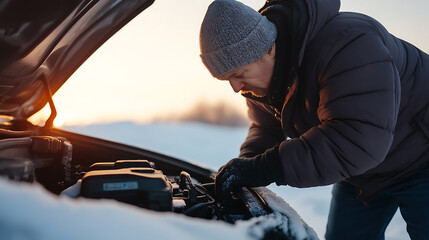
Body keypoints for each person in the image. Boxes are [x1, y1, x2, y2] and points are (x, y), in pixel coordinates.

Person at [198, 0, 429, 239]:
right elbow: (266, 127)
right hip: (362, 174)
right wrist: (246, 164)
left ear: (269, 49)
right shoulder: (261, 81)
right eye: (227, 80)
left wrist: (265, 167)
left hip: (421, 157)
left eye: (239, 75)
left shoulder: (349, 44)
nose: (236, 88)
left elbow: (353, 139)